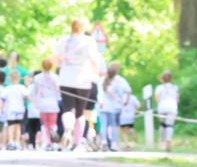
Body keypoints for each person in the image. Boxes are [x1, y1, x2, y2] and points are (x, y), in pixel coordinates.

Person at [53, 19, 101, 151]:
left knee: (67, 108)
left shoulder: (64, 40)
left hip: (66, 78)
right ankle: (78, 142)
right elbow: (94, 60)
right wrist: (96, 74)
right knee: (80, 113)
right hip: (83, 80)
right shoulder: (89, 41)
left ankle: (68, 127)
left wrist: (62, 65)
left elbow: (55, 60)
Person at [98, 61, 130, 151]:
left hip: (103, 107)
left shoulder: (102, 80)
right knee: (113, 126)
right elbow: (114, 93)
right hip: (113, 108)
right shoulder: (117, 81)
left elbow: (100, 92)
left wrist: (100, 101)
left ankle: (104, 141)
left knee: (104, 125)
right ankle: (113, 143)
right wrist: (120, 101)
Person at [31, 58, 61, 150]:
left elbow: (34, 92)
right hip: (52, 103)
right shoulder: (55, 77)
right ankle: (52, 142)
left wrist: (35, 102)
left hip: (42, 103)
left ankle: (47, 141)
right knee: (52, 124)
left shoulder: (37, 78)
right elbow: (58, 91)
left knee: (45, 124)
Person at [1, 68, 28, 150]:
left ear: (10, 78)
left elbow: (3, 100)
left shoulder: (7, 88)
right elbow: (26, 97)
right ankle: (17, 142)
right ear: (19, 78)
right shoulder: (22, 88)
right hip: (20, 109)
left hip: (10, 109)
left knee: (11, 126)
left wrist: (2, 108)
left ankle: (11, 141)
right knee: (18, 126)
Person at [155, 70, 179, 152]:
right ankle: (168, 141)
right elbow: (177, 99)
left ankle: (162, 142)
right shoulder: (174, 87)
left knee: (163, 125)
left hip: (162, 107)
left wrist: (160, 106)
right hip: (172, 107)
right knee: (170, 125)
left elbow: (157, 98)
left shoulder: (159, 87)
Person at [25, 73, 42, 150]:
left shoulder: (31, 87)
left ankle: (33, 143)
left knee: (32, 128)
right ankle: (38, 143)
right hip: (39, 110)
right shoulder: (42, 86)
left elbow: (28, 96)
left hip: (32, 110)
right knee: (39, 128)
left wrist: (34, 104)